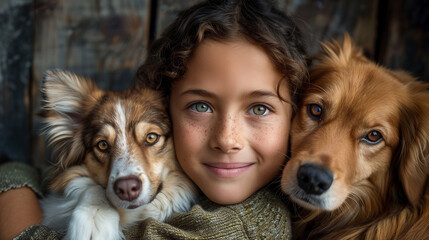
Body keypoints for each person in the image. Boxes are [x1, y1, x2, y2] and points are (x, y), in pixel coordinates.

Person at [0, 0, 307, 239]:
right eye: (201, 106)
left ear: (298, 113)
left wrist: (12, 187)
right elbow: (44, 170)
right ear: (172, 109)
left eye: (260, 108)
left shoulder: (247, 227)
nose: (227, 139)